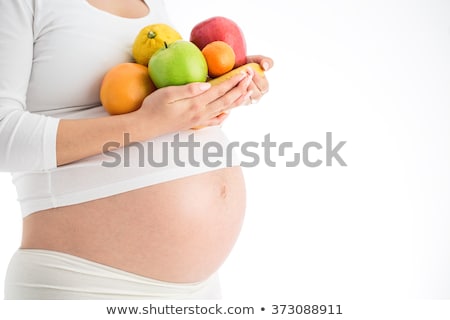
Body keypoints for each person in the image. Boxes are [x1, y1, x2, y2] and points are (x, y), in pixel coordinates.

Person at [0, 0, 272, 299]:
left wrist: (216, 94)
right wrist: (147, 123)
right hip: (85, 283)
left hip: (201, 290)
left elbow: (157, 111)